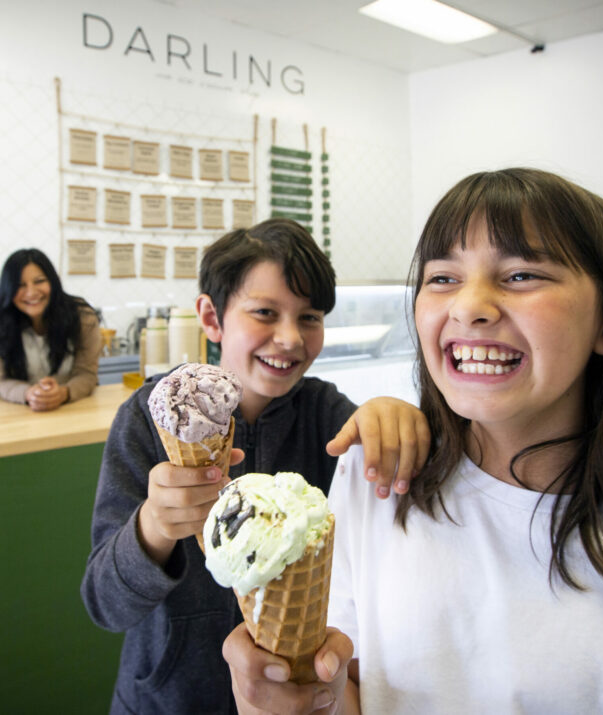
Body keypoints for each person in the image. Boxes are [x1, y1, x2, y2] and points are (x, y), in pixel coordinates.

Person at [224, 169, 603, 713]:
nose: (468, 306)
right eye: (442, 277)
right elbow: (356, 688)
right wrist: (291, 703)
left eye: (521, 275)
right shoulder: (377, 480)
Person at [80, 218, 430, 714]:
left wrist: (393, 419)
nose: (290, 337)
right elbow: (103, 603)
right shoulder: (147, 419)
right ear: (211, 316)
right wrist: (153, 528)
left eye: (309, 317)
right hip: (166, 699)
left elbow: (392, 506)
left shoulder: (330, 421)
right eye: (265, 312)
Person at [0, 248, 102, 411]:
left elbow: (87, 374)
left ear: (53, 282)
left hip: (72, 408)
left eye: (39, 281)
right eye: (20, 285)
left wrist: (63, 392)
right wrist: (29, 393)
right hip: (17, 412)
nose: (31, 292)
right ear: (8, 289)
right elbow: (0, 379)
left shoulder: (82, 316)